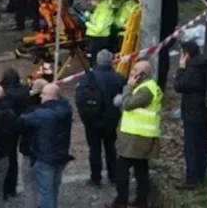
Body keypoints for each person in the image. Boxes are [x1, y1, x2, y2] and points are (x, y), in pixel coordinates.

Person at [112, 61, 162, 208]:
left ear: (142, 74)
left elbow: (127, 104)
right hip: (139, 136)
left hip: (136, 137)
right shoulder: (148, 87)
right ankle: (141, 200)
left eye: (135, 70)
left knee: (123, 170)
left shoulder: (146, 90)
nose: (132, 72)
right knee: (141, 169)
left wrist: (128, 86)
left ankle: (122, 201)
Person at [18, 83, 73, 208]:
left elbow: (21, 121)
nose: (41, 97)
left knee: (45, 193)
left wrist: (31, 98)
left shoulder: (42, 114)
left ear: (49, 96)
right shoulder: (66, 109)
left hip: (45, 157)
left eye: (43, 94)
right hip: (61, 155)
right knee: (54, 189)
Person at [75, 49, 124, 186]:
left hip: (93, 119)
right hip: (111, 119)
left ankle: (95, 178)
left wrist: (84, 116)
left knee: (94, 149)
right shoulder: (118, 78)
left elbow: (79, 98)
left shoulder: (88, 77)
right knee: (110, 147)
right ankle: (113, 175)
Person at [174, 41, 207, 189]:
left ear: (186, 55)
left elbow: (178, 86)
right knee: (202, 144)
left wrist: (180, 69)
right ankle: (200, 175)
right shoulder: (206, 65)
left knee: (191, 146)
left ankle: (192, 179)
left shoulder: (192, 70)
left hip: (193, 113)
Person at [0, 69, 33, 199]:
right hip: (23, 124)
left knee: (9, 157)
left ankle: (7, 188)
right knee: (16, 158)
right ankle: (12, 188)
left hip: (10, 127)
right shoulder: (25, 90)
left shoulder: (6, 94)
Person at [85, 0, 118, 66]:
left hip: (98, 39)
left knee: (94, 61)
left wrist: (86, 23)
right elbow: (96, 19)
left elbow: (98, 29)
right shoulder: (100, 8)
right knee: (92, 60)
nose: (91, 1)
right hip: (95, 38)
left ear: (99, 0)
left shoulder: (104, 12)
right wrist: (89, 15)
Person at [158, 0, 180, 90]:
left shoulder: (170, 0)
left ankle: (161, 83)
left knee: (162, 58)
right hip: (162, 32)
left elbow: (170, 19)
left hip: (165, 33)